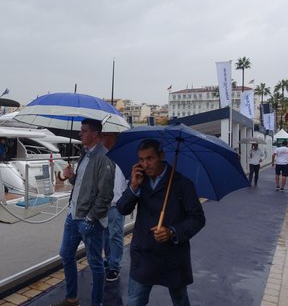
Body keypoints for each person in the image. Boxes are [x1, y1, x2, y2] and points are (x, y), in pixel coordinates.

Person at [116, 139, 205, 306]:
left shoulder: (182, 184)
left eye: (150, 158)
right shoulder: (140, 181)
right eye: (141, 160)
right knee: (135, 301)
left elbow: (198, 218)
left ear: (161, 156)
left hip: (173, 255)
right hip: (144, 253)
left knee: (180, 299)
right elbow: (122, 209)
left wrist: (172, 231)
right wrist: (133, 187)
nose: (145, 164)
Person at [51, 118, 115, 306]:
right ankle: (72, 298)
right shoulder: (84, 154)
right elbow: (82, 185)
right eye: (80, 130)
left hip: (89, 220)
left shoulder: (105, 158)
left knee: (95, 263)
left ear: (95, 134)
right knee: (66, 254)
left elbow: (105, 195)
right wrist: (72, 178)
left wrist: (90, 218)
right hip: (73, 216)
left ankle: (97, 303)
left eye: (84, 131)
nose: (80, 134)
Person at [100, 132, 127, 282]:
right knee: (106, 235)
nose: (102, 138)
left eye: (105, 136)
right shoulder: (103, 157)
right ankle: (109, 260)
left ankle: (115, 266)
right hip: (104, 204)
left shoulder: (123, 158)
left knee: (115, 235)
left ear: (113, 138)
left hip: (117, 203)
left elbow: (127, 180)